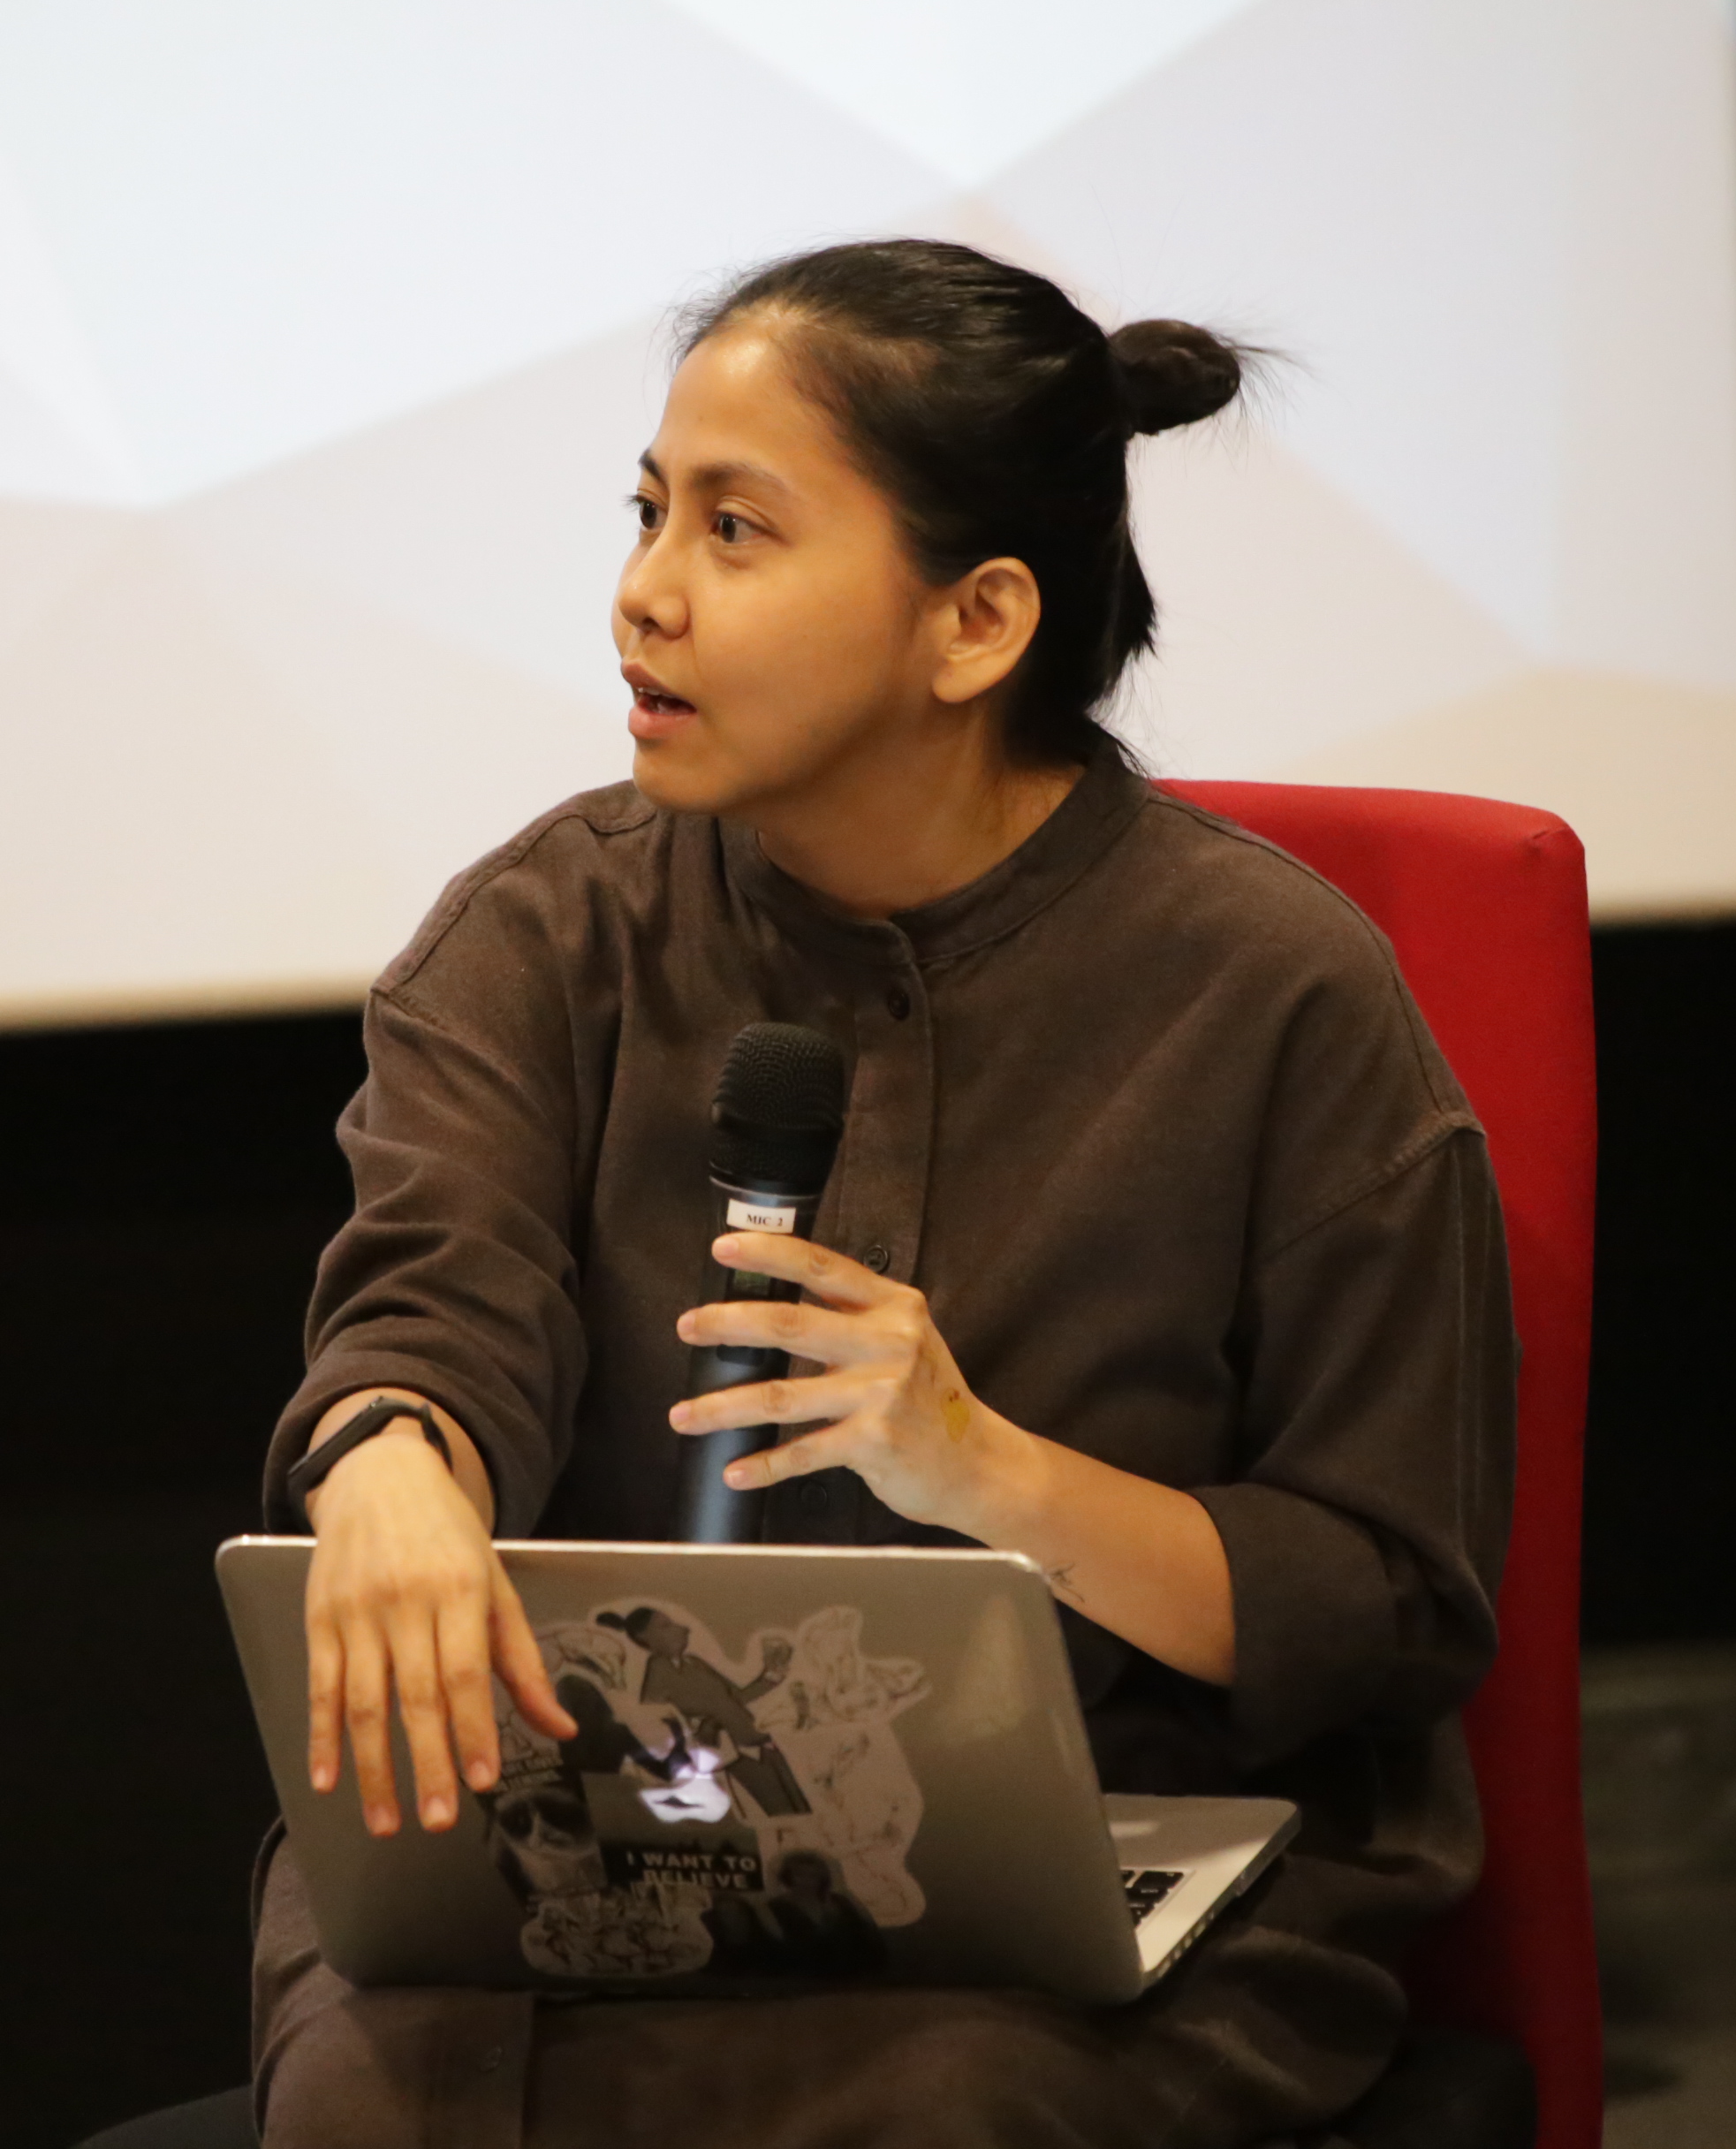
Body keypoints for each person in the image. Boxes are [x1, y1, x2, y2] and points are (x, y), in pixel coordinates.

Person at [249, 238, 1517, 2149]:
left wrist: (985, 1469)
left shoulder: (1278, 994)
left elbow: (1386, 1601)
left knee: (930, 2109)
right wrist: (392, 1468)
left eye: (736, 530)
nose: (644, 593)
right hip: (588, 1831)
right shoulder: (545, 928)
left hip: (1102, 1861)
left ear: (977, 622)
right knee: (380, 2103)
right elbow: (434, 1303)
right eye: (648, 513)